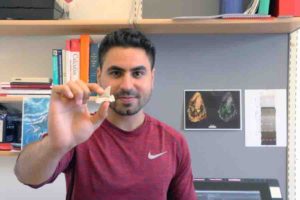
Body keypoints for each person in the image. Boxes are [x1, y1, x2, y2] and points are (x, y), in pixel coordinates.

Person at [14, 28, 197, 200]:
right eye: (116, 72)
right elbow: (26, 175)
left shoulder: (174, 142)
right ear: (100, 76)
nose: (126, 85)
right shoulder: (79, 130)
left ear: (152, 77)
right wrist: (55, 145)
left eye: (138, 73)